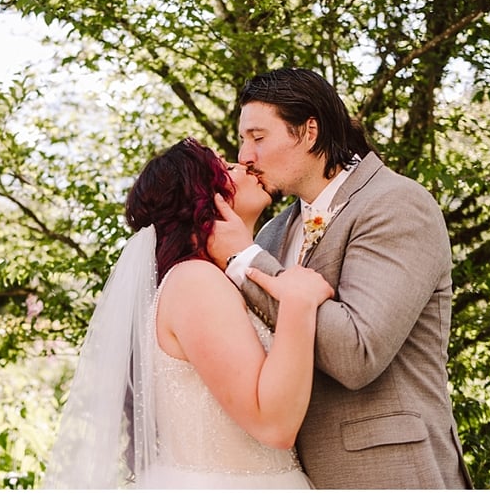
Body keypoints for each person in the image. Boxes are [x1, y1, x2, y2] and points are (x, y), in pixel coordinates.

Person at [209, 67, 473, 489]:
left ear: (308, 132)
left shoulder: (397, 204)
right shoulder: (272, 233)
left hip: (389, 475)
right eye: (243, 140)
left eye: (257, 138)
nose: (245, 156)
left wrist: (244, 259)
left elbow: (357, 354)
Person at [44, 137, 334, 489]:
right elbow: (273, 425)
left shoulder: (211, 280)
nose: (243, 165)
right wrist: (298, 304)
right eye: (226, 168)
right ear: (202, 199)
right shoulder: (196, 282)